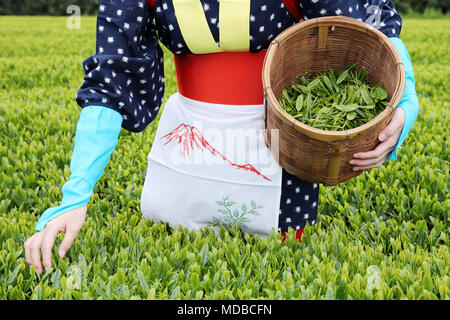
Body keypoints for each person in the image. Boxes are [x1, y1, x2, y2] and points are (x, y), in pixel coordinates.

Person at [24, 0, 419, 275]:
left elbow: (367, 29)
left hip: (282, 152)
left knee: (284, 263)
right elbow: (112, 77)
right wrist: (75, 196)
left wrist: (407, 96)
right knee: (173, 248)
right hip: (185, 156)